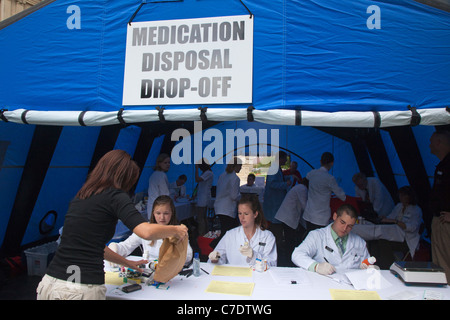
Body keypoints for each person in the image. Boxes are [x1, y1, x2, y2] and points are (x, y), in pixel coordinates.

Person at [36, 150, 187, 300]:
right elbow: (145, 231)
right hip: (79, 287)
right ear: (123, 177)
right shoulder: (116, 196)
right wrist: (176, 229)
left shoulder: (82, 196)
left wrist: (127, 262)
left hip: (50, 283)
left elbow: (94, 246)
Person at [109, 195, 193, 266]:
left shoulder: (178, 231)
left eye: (166, 213)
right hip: (149, 272)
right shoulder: (145, 229)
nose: (162, 218)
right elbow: (126, 247)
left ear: (172, 213)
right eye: (158, 213)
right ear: (153, 213)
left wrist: (173, 256)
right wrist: (114, 249)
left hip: (172, 273)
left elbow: (188, 256)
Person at [291, 204, 370, 275]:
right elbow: (297, 255)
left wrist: (370, 269)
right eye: (342, 222)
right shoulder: (317, 235)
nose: (345, 228)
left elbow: (367, 263)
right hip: (323, 284)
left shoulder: (359, 242)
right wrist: (316, 266)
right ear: (335, 216)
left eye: (350, 226)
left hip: (350, 287)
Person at [208, 194, 277, 266]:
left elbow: (272, 264)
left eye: (246, 214)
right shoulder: (230, 235)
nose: (242, 217)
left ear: (255, 214)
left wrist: (254, 256)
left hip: (257, 276)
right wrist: (215, 259)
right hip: (234, 276)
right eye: (240, 213)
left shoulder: (267, 237)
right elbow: (219, 256)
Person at [370, 186, 423, 269]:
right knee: (375, 241)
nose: (401, 198)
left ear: (409, 196)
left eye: (403, 195)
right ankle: (376, 265)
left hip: (406, 240)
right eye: (400, 195)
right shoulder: (399, 206)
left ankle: (388, 267)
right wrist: (384, 218)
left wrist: (397, 222)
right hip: (395, 235)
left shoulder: (416, 210)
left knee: (384, 243)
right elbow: (391, 217)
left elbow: (412, 227)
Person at [302, 152, 346, 234]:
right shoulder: (330, 178)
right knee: (320, 240)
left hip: (309, 214)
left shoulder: (312, 173)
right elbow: (342, 196)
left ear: (320, 161)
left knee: (310, 239)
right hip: (321, 218)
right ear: (332, 163)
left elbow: (306, 178)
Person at [428, 129, 450, 284]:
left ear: (439, 143)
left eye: (431, 142)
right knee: (439, 263)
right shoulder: (442, 165)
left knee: (446, 262)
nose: (428, 145)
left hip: (446, 221)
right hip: (438, 220)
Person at [274, 181, 308, 266]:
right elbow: (304, 206)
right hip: (288, 217)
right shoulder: (302, 189)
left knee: (288, 240)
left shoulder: (299, 187)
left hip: (288, 217)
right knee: (289, 240)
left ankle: (288, 259)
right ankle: (289, 261)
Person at [211, 157, 242, 247]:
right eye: (240, 166)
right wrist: (242, 196)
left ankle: (219, 247)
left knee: (227, 230)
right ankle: (213, 245)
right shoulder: (235, 178)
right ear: (236, 166)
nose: (241, 168)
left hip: (219, 207)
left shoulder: (222, 175)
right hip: (228, 209)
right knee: (228, 232)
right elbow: (234, 196)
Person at [147, 153, 171, 218]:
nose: (168, 164)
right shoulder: (161, 175)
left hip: (152, 206)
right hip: (159, 207)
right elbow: (165, 194)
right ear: (159, 163)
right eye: (165, 163)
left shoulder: (154, 174)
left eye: (169, 162)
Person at [194, 159, 214, 236]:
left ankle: (201, 234)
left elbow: (197, 179)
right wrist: (194, 195)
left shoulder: (208, 173)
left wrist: (196, 169)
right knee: (204, 218)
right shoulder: (206, 173)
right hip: (203, 198)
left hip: (203, 199)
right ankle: (205, 233)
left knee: (201, 218)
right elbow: (200, 186)